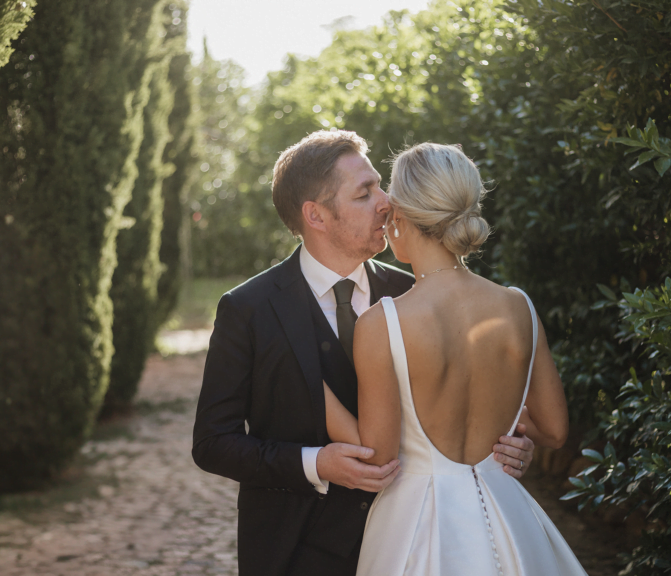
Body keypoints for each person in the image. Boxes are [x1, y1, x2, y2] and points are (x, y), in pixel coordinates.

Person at [191, 131, 536, 576]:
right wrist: (316, 463)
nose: (387, 201)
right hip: (294, 549)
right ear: (316, 215)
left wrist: (507, 443)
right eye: (364, 193)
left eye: (380, 185)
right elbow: (213, 444)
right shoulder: (248, 309)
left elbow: (465, 400)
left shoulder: (414, 292)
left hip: (413, 543)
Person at [322, 143, 589, 576]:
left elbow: (378, 457)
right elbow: (555, 430)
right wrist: (508, 429)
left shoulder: (384, 322)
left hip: (417, 528)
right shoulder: (518, 306)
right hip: (509, 516)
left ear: (400, 218)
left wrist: (313, 392)